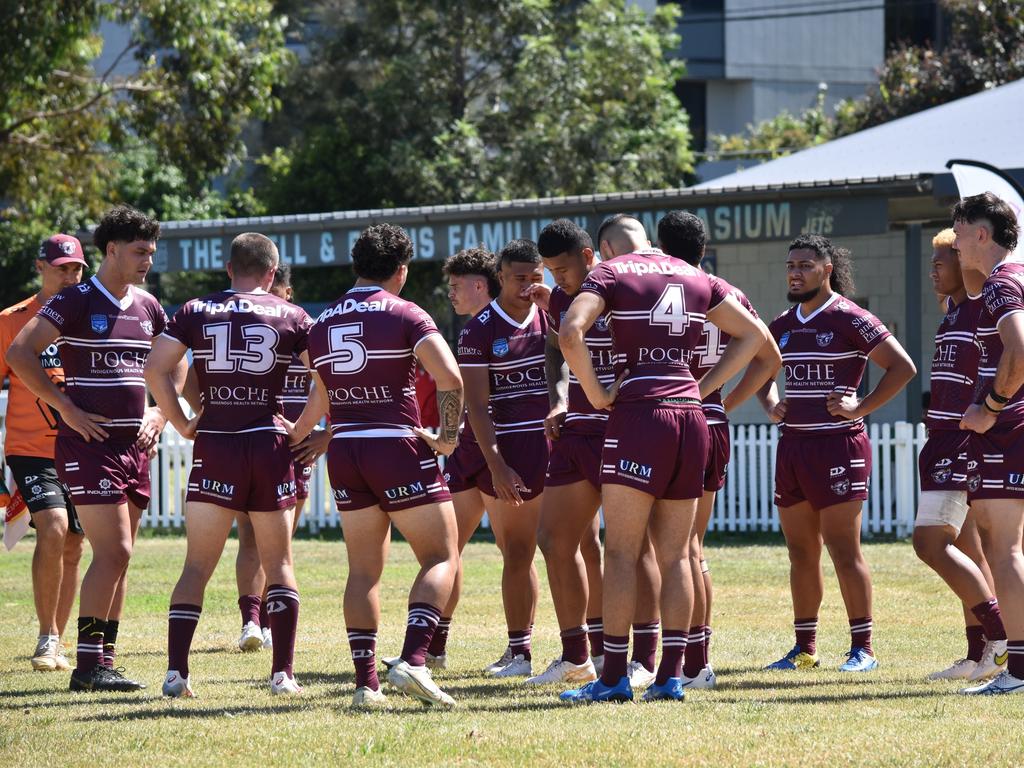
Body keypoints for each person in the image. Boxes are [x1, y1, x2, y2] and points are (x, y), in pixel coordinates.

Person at [559, 214, 766, 703]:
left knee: (623, 551)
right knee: (678, 555)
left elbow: (570, 331)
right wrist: (706, 386)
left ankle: (612, 678)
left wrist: (595, 391)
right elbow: (754, 337)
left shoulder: (610, 273)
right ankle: (671, 677)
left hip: (639, 416)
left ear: (606, 248)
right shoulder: (698, 275)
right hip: (692, 416)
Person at [290, 223, 463, 709]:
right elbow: (449, 378)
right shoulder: (407, 313)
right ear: (401, 271)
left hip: (345, 450)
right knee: (442, 556)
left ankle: (366, 684)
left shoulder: (321, 324)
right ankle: (413, 660)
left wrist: (292, 434)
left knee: (362, 571)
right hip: (396, 446)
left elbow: (318, 402)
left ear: (355, 267)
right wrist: (447, 437)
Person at [8, 205, 180, 692]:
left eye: (152, 251)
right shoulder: (77, 299)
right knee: (115, 548)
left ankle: (103, 658)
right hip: (89, 447)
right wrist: (65, 407)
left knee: (120, 558)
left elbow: (176, 360)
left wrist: (160, 413)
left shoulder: (149, 306)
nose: (148, 259)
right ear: (111, 250)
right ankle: (85, 666)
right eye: (139, 251)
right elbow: (19, 353)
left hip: (136, 448)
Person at [145, 232, 313, 697]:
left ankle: (176, 673)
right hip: (267, 442)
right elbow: (330, 373)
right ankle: (282, 674)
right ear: (272, 274)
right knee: (279, 563)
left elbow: (155, 369)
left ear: (228, 270)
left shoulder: (196, 309)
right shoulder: (293, 315)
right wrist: (303, 431)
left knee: (196, 566)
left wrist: (180, 422)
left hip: (216, 442)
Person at [759, 234, 916, 673]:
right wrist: (771, 404)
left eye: (805, 265)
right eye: (791, 265)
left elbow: (903, 367)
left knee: (844, 551)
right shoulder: (781, 324)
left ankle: (862, 648)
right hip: (793, 447)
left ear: (827, 269)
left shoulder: (851, 317)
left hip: (838, 446)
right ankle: (805, 648)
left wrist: (860, 407)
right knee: (800, 553)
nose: (795, 272)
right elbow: (757, 368)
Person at [525, 218, 660, 686]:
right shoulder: (564, 298)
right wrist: (560, 398)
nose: (555, 279)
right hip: (577, 431)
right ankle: (578, 655)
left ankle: (644, 657)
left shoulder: (632, 288)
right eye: (548, 270)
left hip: (626, 428)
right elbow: (556, 352)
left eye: (560, 269)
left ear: (589, 256)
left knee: (633, 546)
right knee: (554, 539)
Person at [656, 211, 781, 688]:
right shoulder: (728, 292)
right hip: (708, 420)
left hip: (668, 417)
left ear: (660, 250)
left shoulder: (660, 290)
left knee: (674, 548)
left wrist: (707, 392)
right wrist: (723, 399)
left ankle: (689, 661)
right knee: (690, 547)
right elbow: (770, 357)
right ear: (704, 249)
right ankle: (696, 660)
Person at [913, 228, 1007, 682]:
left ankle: (1002, 636)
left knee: (930, 543)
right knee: (969, 550)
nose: (932, 271)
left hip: (961, 439)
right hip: (941, 439)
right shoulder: (951, 311)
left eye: (940, 262)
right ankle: (978, 655)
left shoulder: (984, 308)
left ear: (965, 262)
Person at [456, 239, 551, 678]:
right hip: (508, 450)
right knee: (517, 551)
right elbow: (475, 405)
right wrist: (497, 466)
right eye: (520, 278)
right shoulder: (478, 331)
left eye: (537, 277)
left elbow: (570, 364)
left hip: (555, 447)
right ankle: (520, 653)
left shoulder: (553, 316)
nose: (529, 286)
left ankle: (591, 649)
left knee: (577, 548)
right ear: (499, 279)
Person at [0, 235, 87, 672]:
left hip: (82, 447)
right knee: (52, 528)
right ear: (40, 267)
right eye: (61, 268)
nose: (70, 276)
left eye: (77, 269)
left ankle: (59, 638)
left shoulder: (94, 317)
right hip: (30, 449)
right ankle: (46, 635)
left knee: (74, 543)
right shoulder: (12, 321)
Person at [232, 263, 330, 653]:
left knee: (280, 543)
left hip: (295, 445)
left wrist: (327, 433)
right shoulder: (241, 331)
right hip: (250, 440)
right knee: (248, 538)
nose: (272, 302)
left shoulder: (305, 332)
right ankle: (250, 622)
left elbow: (336, 383)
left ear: (287, 293)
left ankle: (271, 621)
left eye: (280, 295)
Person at [416, 247, 500, 668]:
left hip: (502, 448)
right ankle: (435, 648)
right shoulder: (472, 329)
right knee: (450, 549)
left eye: (455, 286)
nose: (450, 293)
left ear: (480, 285)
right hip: (467, 449)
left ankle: (524, 648)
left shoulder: (501, 324)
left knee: (520, 552)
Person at [955, 192, 1024, 695]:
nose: (955, 243)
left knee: (1004, 551)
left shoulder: (1002, 281)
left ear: (982, 233)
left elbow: (1020, 347)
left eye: (959, 232)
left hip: (1009, 429)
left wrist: (991, 407)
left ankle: (1019, 671)